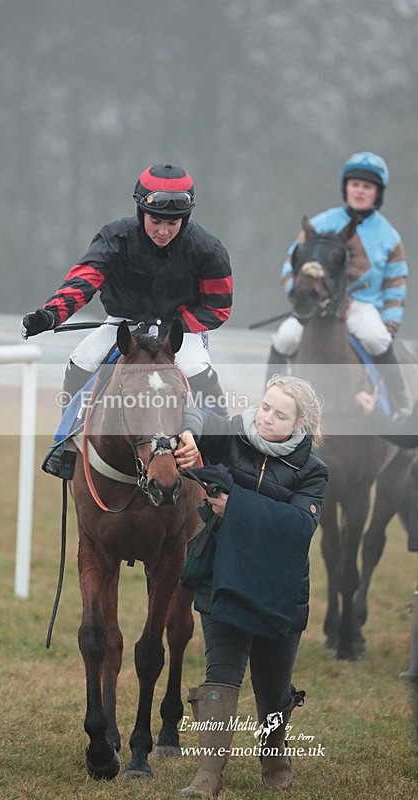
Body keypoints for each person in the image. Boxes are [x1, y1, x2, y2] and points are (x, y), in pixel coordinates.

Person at [174, 374, 328, 797]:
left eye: (280, 415)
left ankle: (274, 749)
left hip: (281, 589)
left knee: (273, 688)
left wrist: (234, 505)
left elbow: (299, 526)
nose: (266, 418)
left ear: (299, 425)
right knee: (219, 675)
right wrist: (188, 430)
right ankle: (207, 776)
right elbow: (201, 415)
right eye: (265, 407)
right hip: (222, 575)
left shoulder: (314, 471)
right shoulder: (233, 436)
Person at [21, 162, 233, 414]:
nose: (163, 232)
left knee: (196, 369)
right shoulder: (114, 238)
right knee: (81, 360)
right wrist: (52, 315)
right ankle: (65, 443)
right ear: (141, 211)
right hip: (124, 323)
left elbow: (217, 308)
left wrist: (173, 326)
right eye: (155, 221)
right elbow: (83, 281)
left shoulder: (209, 249)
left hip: (180, 331)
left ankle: (221, 442)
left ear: (184, 218)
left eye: (173, 223)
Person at [269, 151, 410, 419]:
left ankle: (400, 405)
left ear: (378, 193)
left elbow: (395, 285)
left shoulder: (389, 237)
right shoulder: (319, 224)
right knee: (284, 337)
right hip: (314, 305)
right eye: (355, 184)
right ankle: (268, 401)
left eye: (367, 186)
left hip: (361, 307)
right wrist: (299, 297)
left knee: (377, 338)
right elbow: (291, 264)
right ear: (345, 187)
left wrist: (390, 324)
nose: (360, 191)